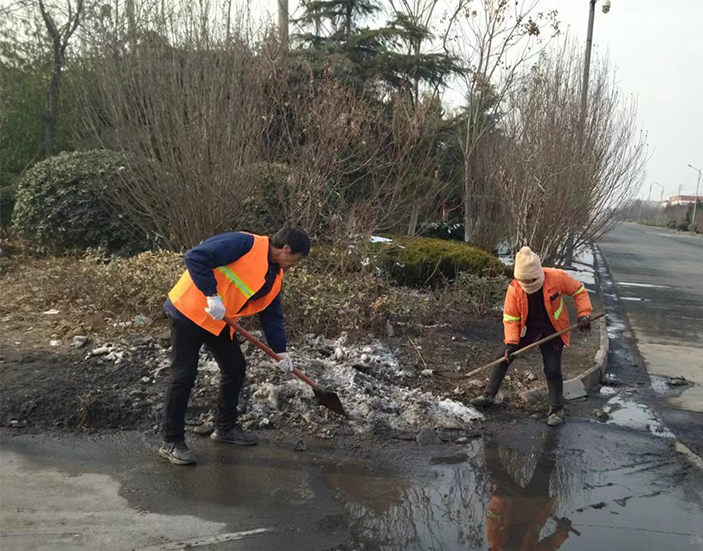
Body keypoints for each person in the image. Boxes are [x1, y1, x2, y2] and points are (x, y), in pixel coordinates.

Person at [159, 227, 310, 465]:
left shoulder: (275, 276)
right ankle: (171, 441)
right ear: (286, 249)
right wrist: (211, 295)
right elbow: (195, 257)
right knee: (184, 375)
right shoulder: (244, 243)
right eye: (297, 259)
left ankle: (225, 428)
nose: (295, 264)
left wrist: (280, 350)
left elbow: (271, 314)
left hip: (219, 321)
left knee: (235, 368)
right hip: (190, 312)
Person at [471, 246, 592, 426]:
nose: (528, 284)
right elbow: (511, 318)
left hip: (553, 328)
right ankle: (489, 396)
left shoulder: (556, 277)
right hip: (528, 329)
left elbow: (579, 291)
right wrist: (512, 343)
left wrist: (584, 314)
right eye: (524, 281)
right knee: (503, 356)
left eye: (532, 280)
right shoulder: (514, 289)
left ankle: (557, 409)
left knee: (552, 368)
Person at [484, 431, 573, 550]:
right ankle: (554, 433)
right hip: (534, 505)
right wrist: (562, 531)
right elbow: (550, 545)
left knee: (494, 469)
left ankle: (489, 433)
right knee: (544, 468)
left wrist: (498, 497)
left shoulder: (494, 542)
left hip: (510, 499)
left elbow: (493, 516)